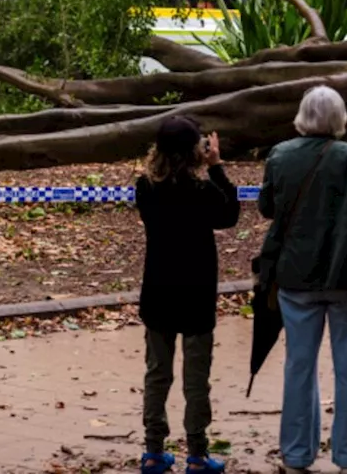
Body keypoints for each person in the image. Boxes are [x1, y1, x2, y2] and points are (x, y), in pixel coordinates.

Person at [255, 86, 347, 474]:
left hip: (295, 277)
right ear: (340, 119)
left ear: (302, 116)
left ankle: (297, 455)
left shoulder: (280, 155)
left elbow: (267, 207)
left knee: (298, 367)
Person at [135, 116, 240, 474]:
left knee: (156, 374)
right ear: (196, 151)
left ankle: (152, 450)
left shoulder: (145, 187)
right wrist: (217, 167)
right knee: (197, 378)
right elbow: (230, 214)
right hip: (196, 294)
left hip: (158, 292)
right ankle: (197, 453)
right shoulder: (202, 192)